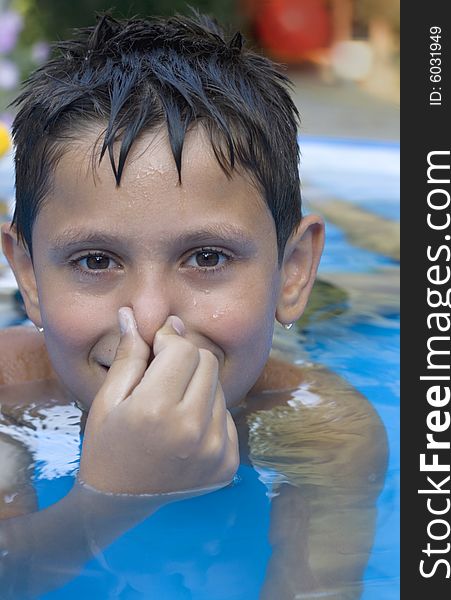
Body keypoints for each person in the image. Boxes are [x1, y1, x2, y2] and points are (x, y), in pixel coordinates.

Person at [0, 12, 388, 599]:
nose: (152, 319)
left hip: (310, 326)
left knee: (371, 296)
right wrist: (103, 503)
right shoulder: (7, 395)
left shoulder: (324, 432)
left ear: (292, 274)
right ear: (27, 276)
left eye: (207, 257)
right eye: (95, 261)